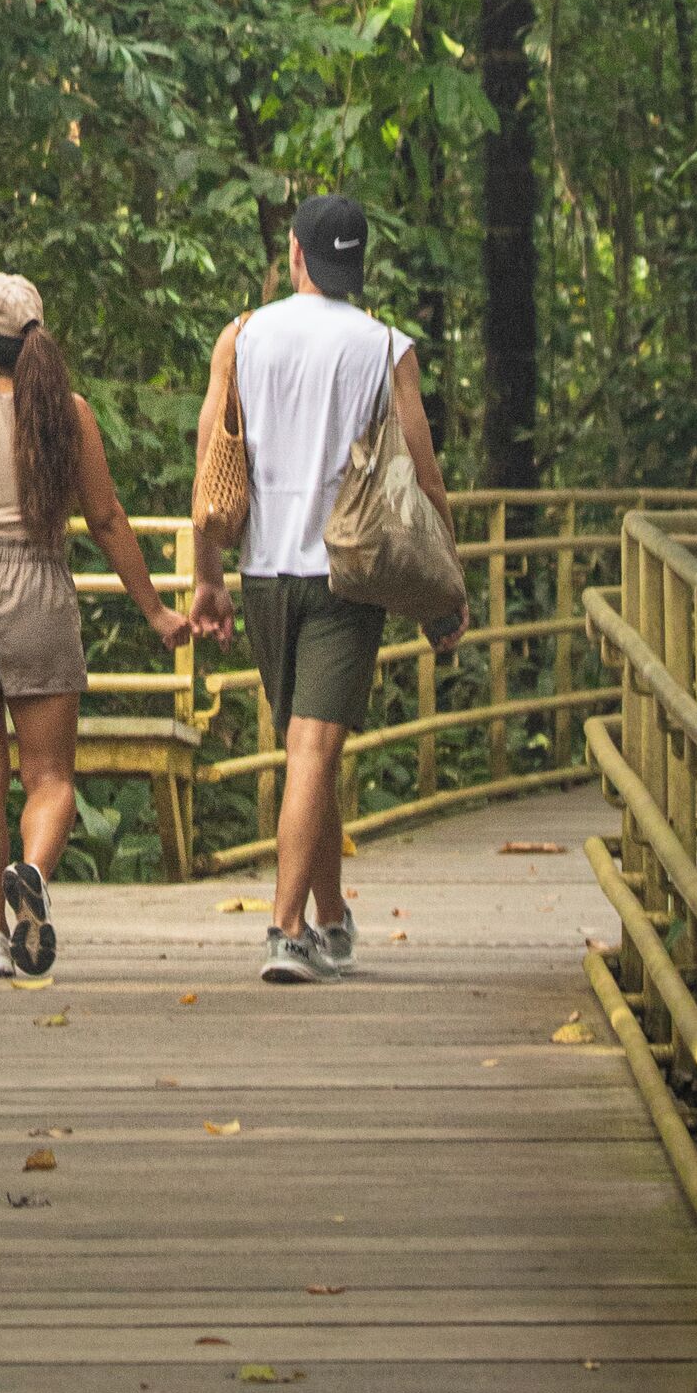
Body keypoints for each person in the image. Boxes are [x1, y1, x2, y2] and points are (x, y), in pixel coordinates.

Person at [0, 271, 188, 981]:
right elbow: (107, 519)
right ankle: (33, 872)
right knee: (49, 778)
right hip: (38, 592)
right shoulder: (68, 414)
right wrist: (155, 610)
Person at [188, 193, 464, 982]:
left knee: (308, 747)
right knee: (314, 747)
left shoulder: (241, 337)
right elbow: (422, 467)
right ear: (353, 262)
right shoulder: (384, 347)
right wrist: (447, 582)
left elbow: (212, 457)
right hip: (349, 572)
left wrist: (209, 578)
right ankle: (286, 932)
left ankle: (330, 917)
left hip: (265, 571)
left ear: (297, 255)